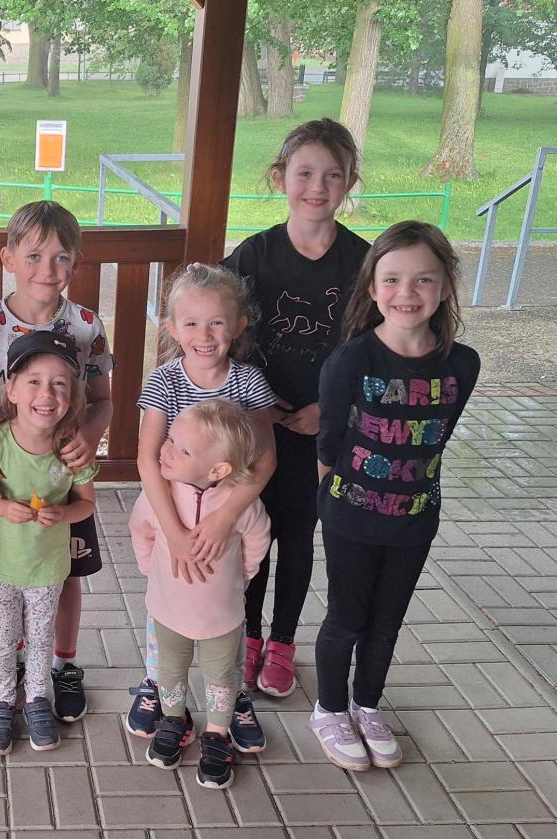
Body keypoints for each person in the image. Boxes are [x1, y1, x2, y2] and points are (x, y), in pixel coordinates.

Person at [310, 221, 478, 772]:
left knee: (387, 622)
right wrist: (334, 505)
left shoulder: (463, 364)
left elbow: (437, 437)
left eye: (423, 279)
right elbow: (329, 443)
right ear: (372, 287)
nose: (407, 292)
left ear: (445, 286)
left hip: (415, 519)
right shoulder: (350, 362)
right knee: (346, 619)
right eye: (392, 279)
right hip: (351, 519)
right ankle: (329, 709)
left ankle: (366, 704)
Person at [218, 118, 370, 699]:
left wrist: (330, 412)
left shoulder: (363, 263)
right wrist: (254, 406)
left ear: (349, 181)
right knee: (252, 529)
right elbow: (215, 330)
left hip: (323, 430)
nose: (317, 187)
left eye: (333, 175)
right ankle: (250, 636)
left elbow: (379, 353)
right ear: (280, 177)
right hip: (256, 425)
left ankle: (283, 641)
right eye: (305, 173)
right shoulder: (254, 256)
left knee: (299, 538)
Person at [0, 200, 114, 723]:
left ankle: (62, 665)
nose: (48, 268)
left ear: (76, 263)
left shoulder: (86, 326)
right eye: (35, 255)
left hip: (63, 475)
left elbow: (103, 399)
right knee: (8, 571)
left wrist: (89, 435)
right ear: (9, 258)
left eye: (62, 257)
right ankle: (14, 666)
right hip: (5, 476)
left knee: (64, 574)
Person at [123, 265, 279, 755]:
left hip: (228, 517)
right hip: (173, 511)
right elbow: (148, 459)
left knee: (228, 615)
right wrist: (171, 533)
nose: (204, 335)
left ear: (238, 325)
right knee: (166, 610)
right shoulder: (165, 382)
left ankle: (231, 698)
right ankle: (158, 684)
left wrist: (225, 517)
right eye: (191, 323)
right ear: (172, 328)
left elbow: (265, 459)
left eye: (216, 323)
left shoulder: (248, 382)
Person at [131, 399, 271, 789]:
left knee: (221, 677)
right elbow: (141, 529)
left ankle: (217, 734)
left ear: (218, 470)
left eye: (183, 449)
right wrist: (152, 570)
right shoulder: (159, 494)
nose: (166, 449)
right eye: (170, 439)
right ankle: (174, 720)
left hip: (220, 615)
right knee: (170, 670)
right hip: (168, 608)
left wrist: (240, 579)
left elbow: (259, 538)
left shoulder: (239, 503)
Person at [0, 331, 98, 755]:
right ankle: (3, 702)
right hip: (0, 564)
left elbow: (86, 504)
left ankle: (38, 700)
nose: (47, 393)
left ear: (72, 396)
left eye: (59, 384)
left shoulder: (71, 450)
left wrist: (63, 514)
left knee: (42, 637)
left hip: (48, 567)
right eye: (34, 381)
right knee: (3, 637)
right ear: (11, 390)